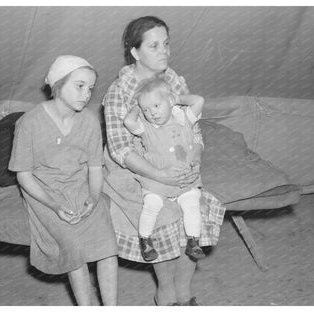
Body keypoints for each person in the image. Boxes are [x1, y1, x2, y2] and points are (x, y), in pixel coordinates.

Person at [103, 16, 226, 306]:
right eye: (155, 46)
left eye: (167, 44)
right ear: (134, 52)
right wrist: (159, 176)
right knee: (163, 217)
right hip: (135, 168)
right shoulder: (119, 91)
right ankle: (166, 292)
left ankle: (184, 292)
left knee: (195, 210)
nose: (165, 51)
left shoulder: (173, 80)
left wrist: (195, 155)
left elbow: (192, 127)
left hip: (176, 161)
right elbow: (121, 149)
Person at [9, 55, 118, 306]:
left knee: (107, 247)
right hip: (45, 193)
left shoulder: (89, 121)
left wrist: (93, 197)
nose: (86, 94)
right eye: (79, 86)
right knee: (74, 248)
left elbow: (95, 169)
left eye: (90, 88)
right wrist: (54, 206)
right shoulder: (29, 123)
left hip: (81, 187)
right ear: (57, 85)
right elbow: (23, 176)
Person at [123, 77, 206, 262]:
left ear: (169, 101)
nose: (152, 113)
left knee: (191, 202)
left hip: (185, 178)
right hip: (156, 181)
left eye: (156, 106)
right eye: (146, 109)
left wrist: (176, 98)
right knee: (152, 204)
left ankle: (193, 241)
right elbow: (129, 121)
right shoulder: (145, 128)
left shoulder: (184, 118)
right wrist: (139, 106)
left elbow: (199, 100)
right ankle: (145, 240)